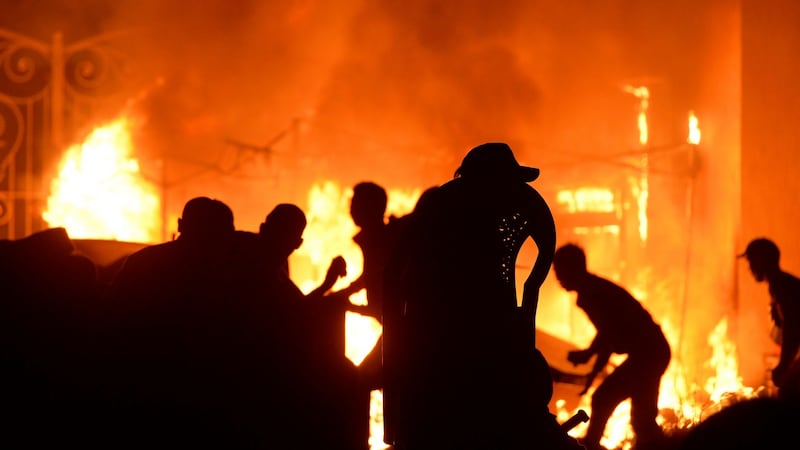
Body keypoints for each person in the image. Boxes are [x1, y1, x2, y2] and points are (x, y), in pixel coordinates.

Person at [384, 142, 582, 450]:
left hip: (438, 332)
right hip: (472, 331)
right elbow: (531, 287)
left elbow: (393, 275)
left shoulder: (439, 208)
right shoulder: (518, 206)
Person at [258, 203, 367, 450]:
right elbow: (291, 315)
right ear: (264, 229)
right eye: (279, 233)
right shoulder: (254, 266)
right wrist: (327, 285)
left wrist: (327, 287)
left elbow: (295, 309)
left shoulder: (275, 266)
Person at [552, 243, 671, 450]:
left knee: (604, 398)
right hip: (651, 352)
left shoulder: (591, 294)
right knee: (641, 419)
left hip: (649, 354)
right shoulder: (592, 289)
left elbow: (608, 333)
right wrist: (589, 355)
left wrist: (592, 363)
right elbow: (607, 331)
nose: (558, 278)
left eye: (560, 271)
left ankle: (591, 445)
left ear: (573, 269)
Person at [738, 237, 800, 393]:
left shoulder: (781, 286)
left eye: (751, 261)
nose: (750, 268)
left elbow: (792, 327)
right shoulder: (781, 284)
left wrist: (783, 366)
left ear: (762, 261)